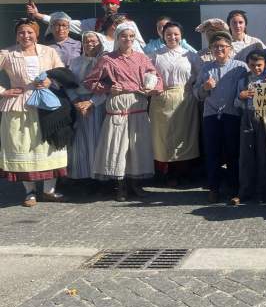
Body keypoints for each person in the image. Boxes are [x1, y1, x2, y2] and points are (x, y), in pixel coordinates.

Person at [83, 22, 163, 201]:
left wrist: (152, 88)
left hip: (138, 104)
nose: (128, 39)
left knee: (137, 146)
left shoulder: (142, 58)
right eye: (124, 36)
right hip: (119, 105)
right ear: (117, 38)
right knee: (119, 147)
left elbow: (156, 77)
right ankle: (120, 186)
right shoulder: (108, 59)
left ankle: (136, 184)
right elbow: (89, 81)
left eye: (131, 36)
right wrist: (109, 88)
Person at [0, 19, 68, 207]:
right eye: (21, 32)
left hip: (46, 105)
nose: (26, 36)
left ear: (37, 34)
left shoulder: (49, 52)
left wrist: (49, 82)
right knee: (23, 146)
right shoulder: (7, 54)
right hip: (18, 106)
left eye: (29, 32)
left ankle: (49, 190)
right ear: (16, 34)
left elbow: (62, 72)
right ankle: (29, 192)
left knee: (49, 145)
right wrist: (3, 91)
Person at [193, 31, 248, 205]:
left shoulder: (240, 67)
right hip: (211, 115)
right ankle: (214, 188)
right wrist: (205, 87)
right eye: (215, 47)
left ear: (230, 49)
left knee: (233, 153)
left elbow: (248, 87)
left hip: (232, 114)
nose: (219, 49)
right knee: (212, 153)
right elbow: (197, 94)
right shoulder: (206, 68)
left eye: (222, 47)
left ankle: (234, 189)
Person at [148, 22, 201, 186]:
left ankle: (184, 172)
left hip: (184, 98)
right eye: (169, 34)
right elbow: (148, 75)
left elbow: (200, 76)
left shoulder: (190, 55)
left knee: (184, 136)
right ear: (163, 36)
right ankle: (168, 172)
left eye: (176, 34)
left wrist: (194, 91)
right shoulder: (155, 55)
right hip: (161, 99)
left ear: (181, 35)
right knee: (163, 137)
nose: (172, 37)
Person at [27, 0, 146, 47]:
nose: (110, 6)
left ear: (118, 5)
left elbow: (141, 45)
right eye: (107, 4)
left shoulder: (129, 24)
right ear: (103, 6)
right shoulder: (95, 23)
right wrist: (38, 15)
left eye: (112, 4)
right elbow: (66, 22)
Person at [66, 31, 107, 182]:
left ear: (100, 43)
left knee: (97, 139)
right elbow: (69, 83)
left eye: (93, 41)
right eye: (86, 41)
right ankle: (83, 176)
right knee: (80, 140)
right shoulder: (75, 61)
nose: (90, 44)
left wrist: (91, 102)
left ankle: (99, 178)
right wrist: (76, 101)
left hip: (98, 103)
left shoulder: (105, 61)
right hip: (78, 104)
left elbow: (107, 85)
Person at [235, 50, 266, 202]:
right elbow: (235, 103)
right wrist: (241, 97)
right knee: (246, 155)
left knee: (263, 155)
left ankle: (261, 191)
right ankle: (244, 190)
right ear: (248, 65)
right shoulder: (243, 81)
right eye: (253, 65)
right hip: (247, 116)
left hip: (265, 119)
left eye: (259, 65)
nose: (256, 68)